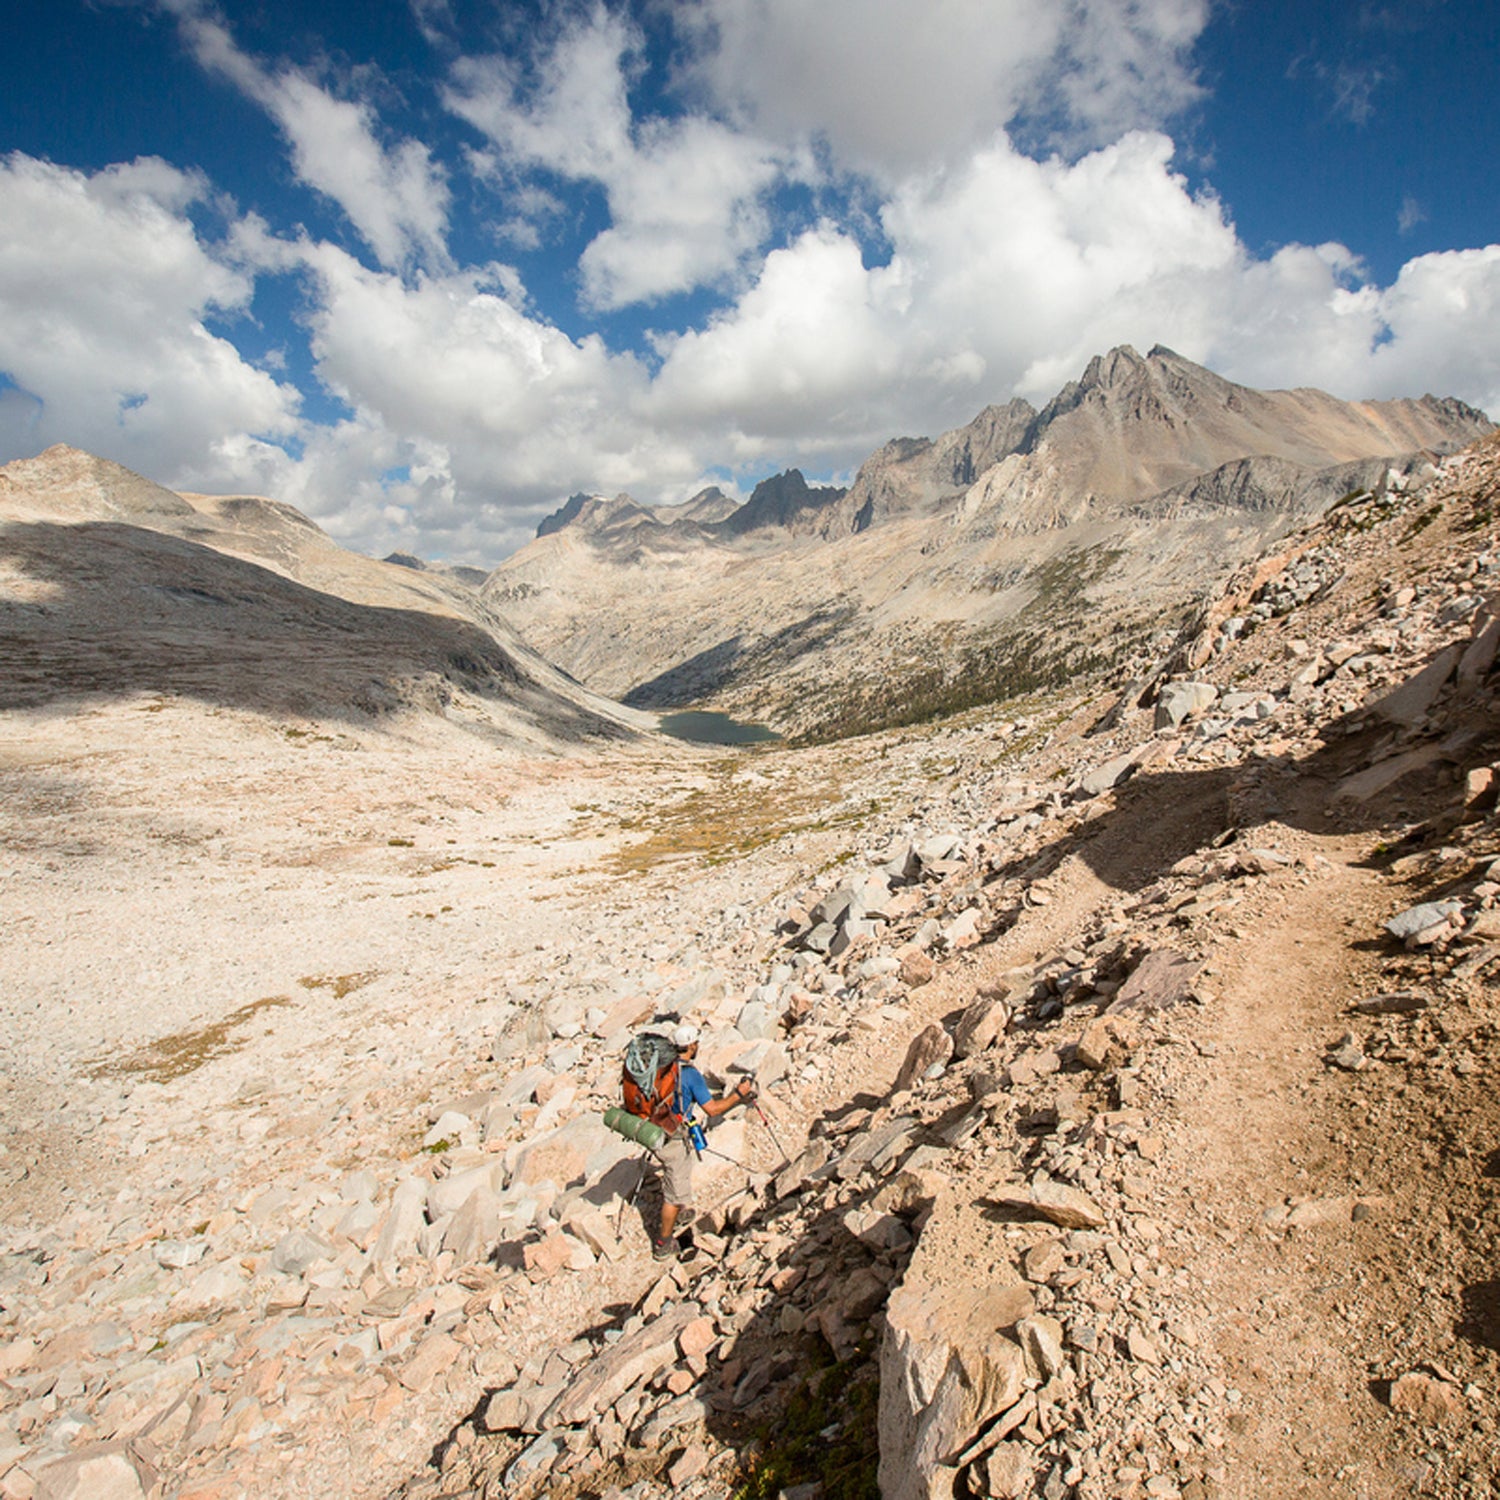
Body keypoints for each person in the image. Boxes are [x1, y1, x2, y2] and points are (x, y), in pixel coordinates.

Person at [653, 1022, 756, 1259]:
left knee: (678, 1172)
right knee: (673, 1193)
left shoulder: (663, 1067)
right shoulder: (690, 1075)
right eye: (696, 1042)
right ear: (690, 1046)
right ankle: (663, 1243)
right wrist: (738, 1095)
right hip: (673, 1137)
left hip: (658, 1128)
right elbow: (713, 1109)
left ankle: (680, 1211)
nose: (698, 1045)